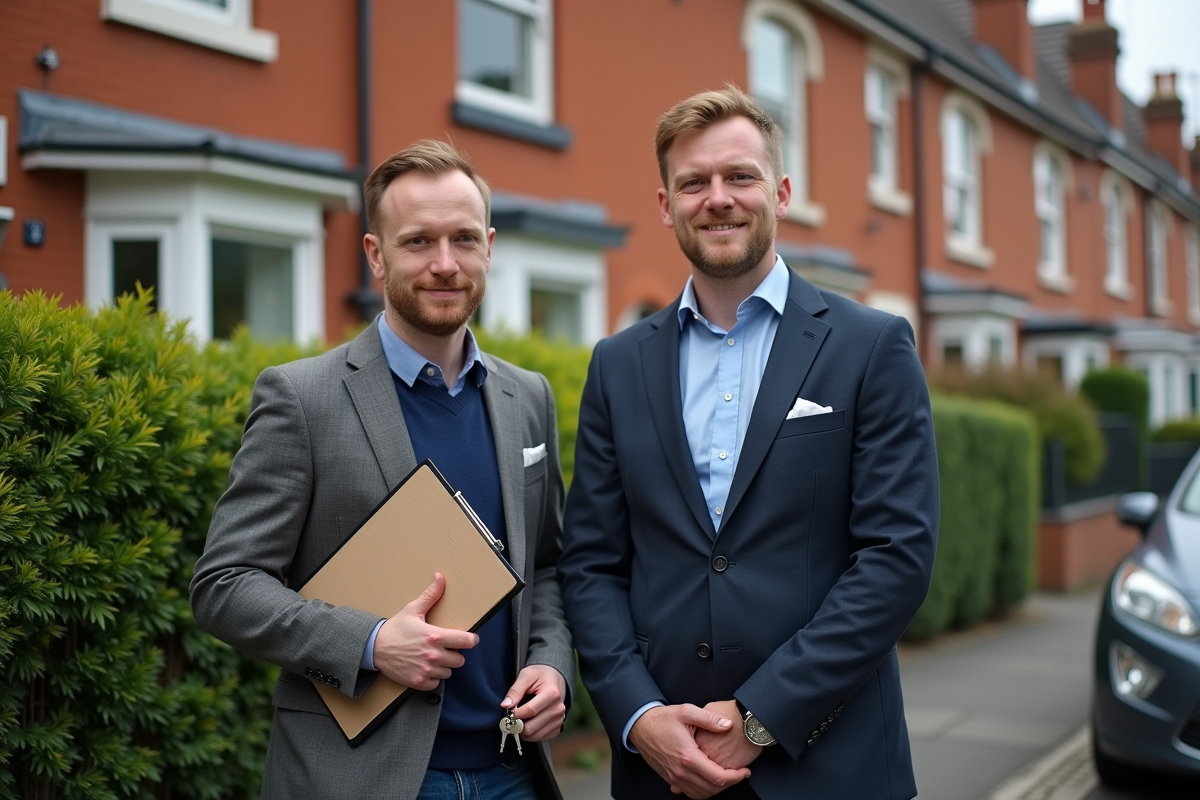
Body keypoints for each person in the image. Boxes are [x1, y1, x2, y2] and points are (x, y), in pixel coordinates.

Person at [559, 86, 939, 800]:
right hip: (661, 771)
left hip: (832, 768)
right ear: (666, 205)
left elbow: (896, 558)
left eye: (740, 176)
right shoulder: (617, 364)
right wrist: (638, 715)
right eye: (693, 183)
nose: (718, 199)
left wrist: (762, 716)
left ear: (782, 192)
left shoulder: (871, 346)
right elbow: (592, 564)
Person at [191, 139, 573, 800]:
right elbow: (224, 584)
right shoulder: (301, 397)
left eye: (463, 239)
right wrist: (369, 642)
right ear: (376, 255)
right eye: (418, 241)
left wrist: (553, 663)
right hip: (360, 777)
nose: (445, 264)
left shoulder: (528, 397)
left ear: (488, 247)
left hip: (513, 771)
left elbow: (549, 567)